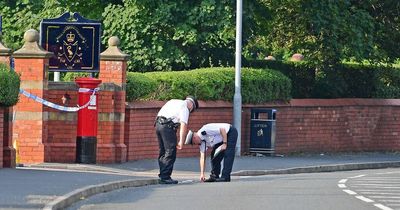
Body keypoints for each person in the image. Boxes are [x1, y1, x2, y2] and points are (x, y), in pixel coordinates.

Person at [155, 96, 199, 184]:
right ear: (191, 105)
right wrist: (181, 141)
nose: (190, 112)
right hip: (168, 127)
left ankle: (162, 174)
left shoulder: (173, 101)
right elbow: (183, 125)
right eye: (192, 110)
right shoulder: (185, 107)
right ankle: (165, 177)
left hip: (158, 124)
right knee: (170, 151)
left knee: (163, 151)